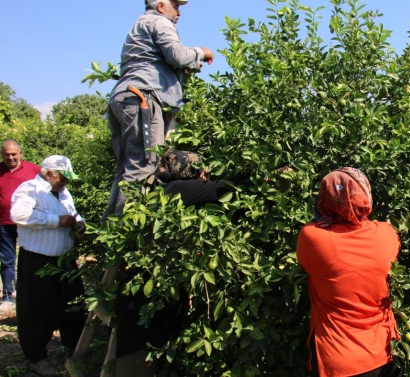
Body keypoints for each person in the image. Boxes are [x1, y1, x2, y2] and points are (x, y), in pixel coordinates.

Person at [114, 150, 246, 376]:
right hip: (147, 290)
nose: (203, 174)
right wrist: (261, 177)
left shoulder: (158, 191)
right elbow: (223, 187)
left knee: (150, 350)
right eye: (199, 169)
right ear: (185, 170)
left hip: (153, 282)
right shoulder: (177, 190)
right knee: (138, 360)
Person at [103, 0, 214, 219]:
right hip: (142, 99)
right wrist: (201, 52)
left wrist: (185, 68)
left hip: (124, 98)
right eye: (175, 5)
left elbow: (156, 60)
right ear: (161, 6)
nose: (179, 11)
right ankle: (130, 232)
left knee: (125, 169)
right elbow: (176, 54)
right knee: (144, 166)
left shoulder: (139, 26)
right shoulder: (159, 21)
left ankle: (111, 231)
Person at [296, 168, 403, 377]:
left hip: (338, 359)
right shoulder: (387, 233)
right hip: (385, 353)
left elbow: (304, 266)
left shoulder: (311, 237)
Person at [10, 155, 86, 376]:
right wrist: (55, 221)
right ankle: (37, 357)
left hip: (64, 261)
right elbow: (19, 214)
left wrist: (79, 223)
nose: (66, 182)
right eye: (63, 177)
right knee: (36, 310)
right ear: (48, 173)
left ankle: (75, 351)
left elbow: (72, 212)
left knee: (72, 306)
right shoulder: (30, 189)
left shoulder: (63, 192)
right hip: (38, 260)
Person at [0, 139, 41, 311]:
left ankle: (30, 293)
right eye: (7, 154)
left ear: (20, 154)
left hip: (27, 223)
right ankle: (8, 295)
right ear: (2, 154)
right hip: (3, 223)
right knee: (7, 259)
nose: (10, 157)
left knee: (30, 258)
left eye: (13, 154)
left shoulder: (33, 170)